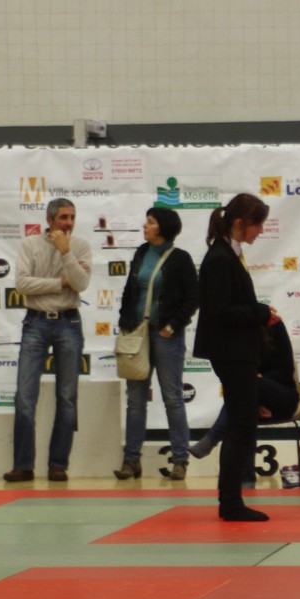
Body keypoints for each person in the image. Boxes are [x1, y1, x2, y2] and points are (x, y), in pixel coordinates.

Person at [194, 193, 274, 522]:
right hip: (231, 352)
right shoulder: (220, 258)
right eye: (257, 224)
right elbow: (220, 312)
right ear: (240, 223)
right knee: (241, 426)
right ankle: (230, 502)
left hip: (237, 351)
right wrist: (260, 312)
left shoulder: (229, 254)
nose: (261, 231)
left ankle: (231, 499)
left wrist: (259, 314)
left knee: (242, 424)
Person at [4, 198, 92, 483]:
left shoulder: (80, 246)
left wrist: (66, 252)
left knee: (67, 398)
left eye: (72, 217)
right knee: (24, 397)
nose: (69, 223)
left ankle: (58, 465)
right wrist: (60, 283)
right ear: (50, 219)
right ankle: (23, 466)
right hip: (36, 322)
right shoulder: (30, 244)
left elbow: (81, 284)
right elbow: (23, 284)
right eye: (63, 217)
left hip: (69, 322)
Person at [113, 206, 198, 481]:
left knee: (173, 398)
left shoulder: (181, 259)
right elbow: (130, 290)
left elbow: (193, 298)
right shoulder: (141, 252)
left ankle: (180, 460)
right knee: (135, 400)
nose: (145, 226)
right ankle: (131, 461)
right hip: (137, 334)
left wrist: (172, 325)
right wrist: (125, 320)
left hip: (166, 337)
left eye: (150, 222)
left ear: (162, 227)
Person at [187, 317, 300, 479]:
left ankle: (213, 437)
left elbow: (286, 370)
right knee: (242, 408)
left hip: (283, 397)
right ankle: (244, 477)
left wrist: (260, 380)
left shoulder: (274, 323)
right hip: (252, 399)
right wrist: (257, 399)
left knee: (246, 385)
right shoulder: (236, 334)